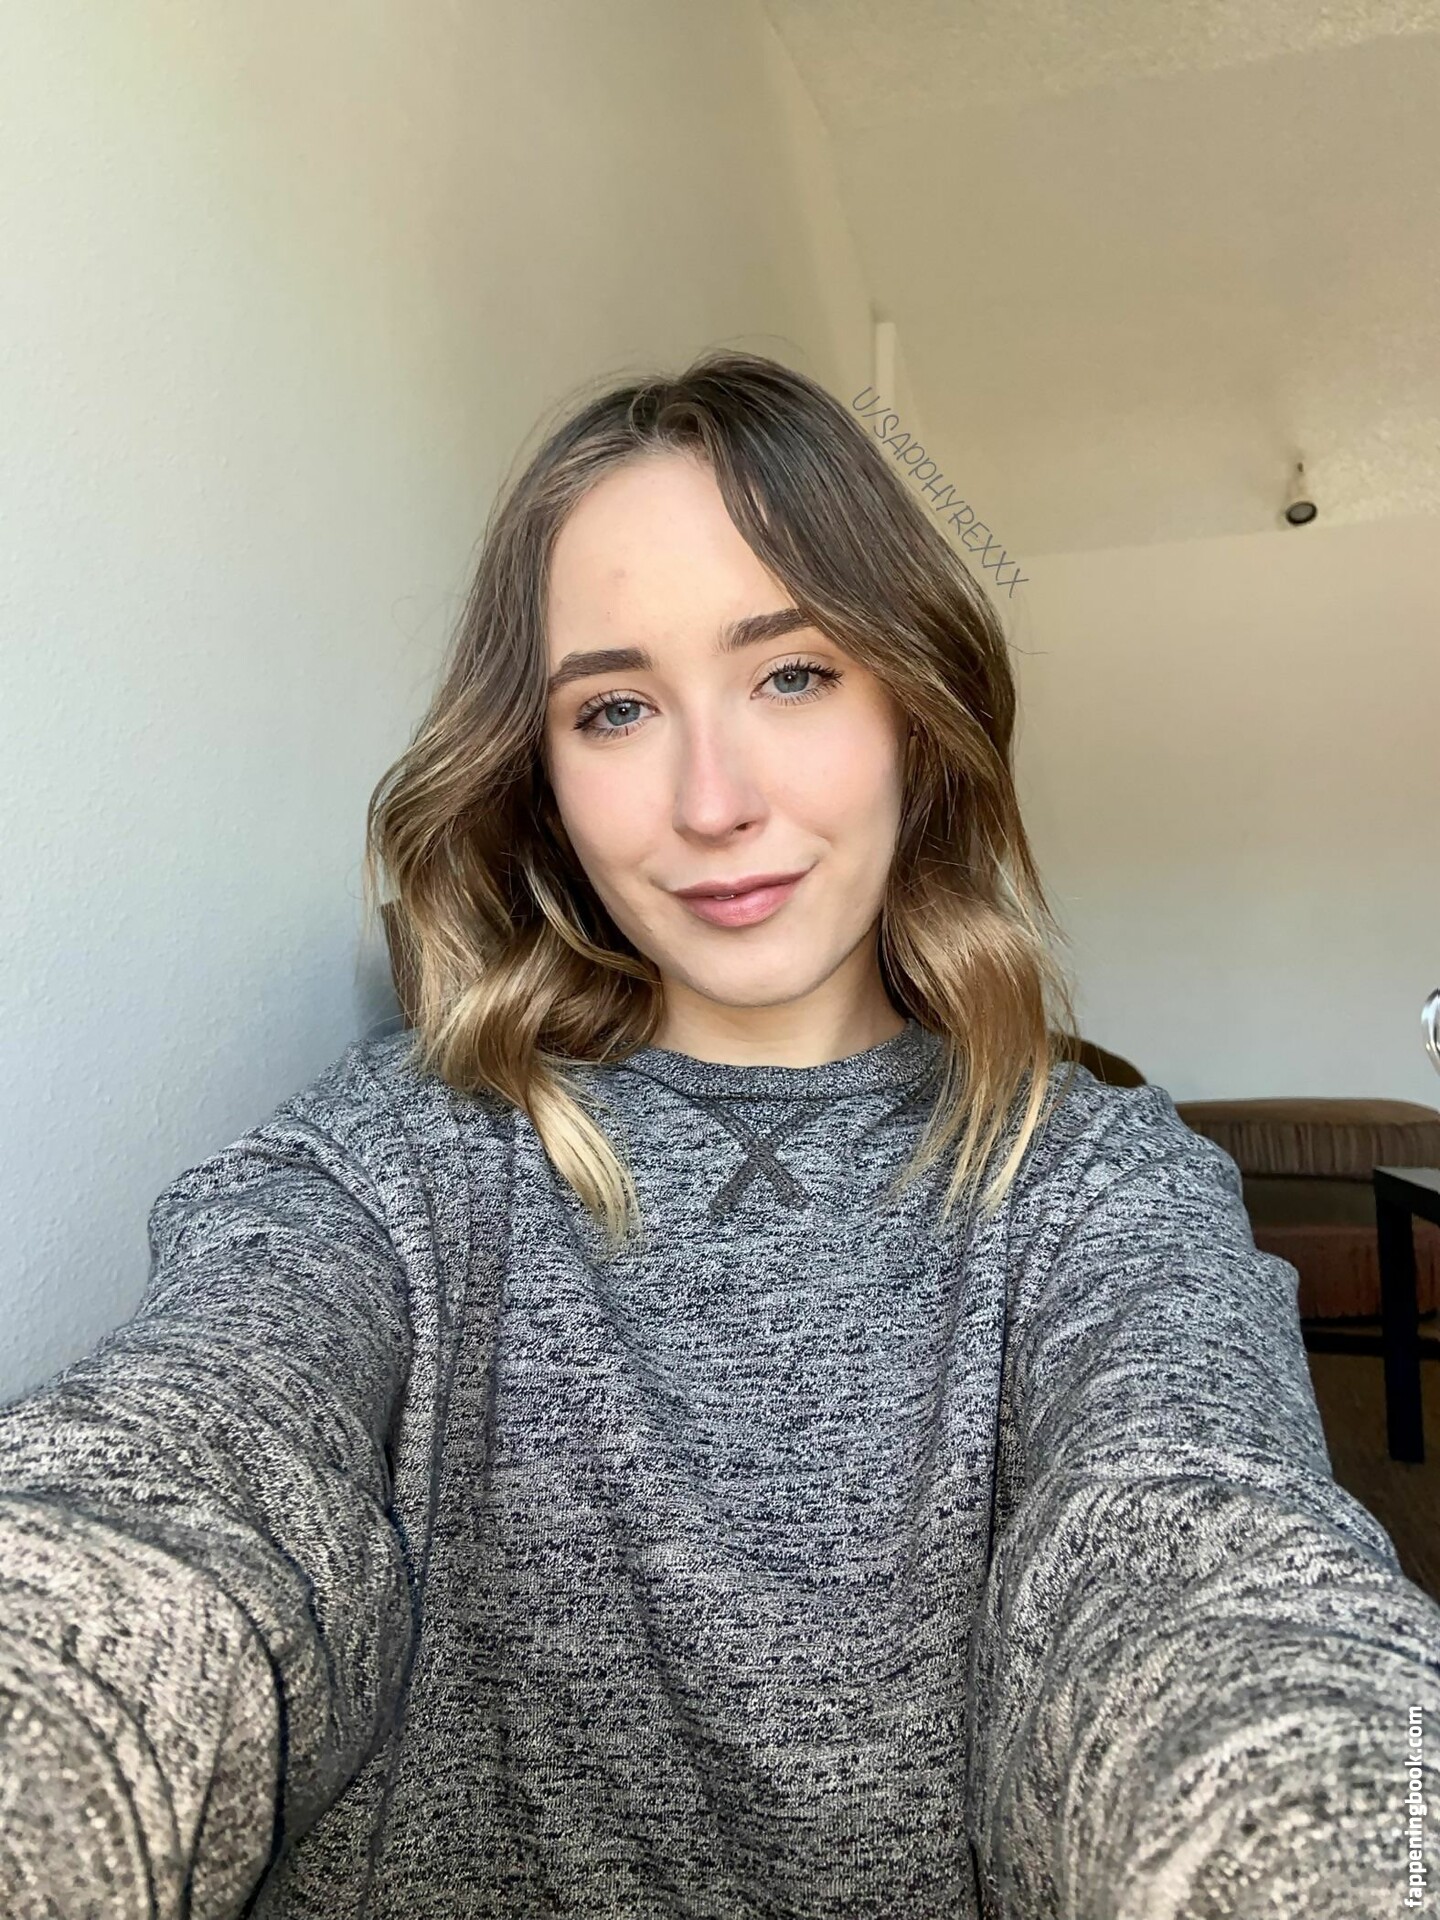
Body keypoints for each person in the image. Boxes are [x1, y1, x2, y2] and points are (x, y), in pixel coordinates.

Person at [1, 350, 1436, 1920]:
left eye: (792, 673)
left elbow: (1205, 1570)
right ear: (542, 776)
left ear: (915, 709)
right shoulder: (401, 1152)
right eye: (615, 708)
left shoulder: (1103, 1187)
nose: (711, 800)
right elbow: (170, 1481)